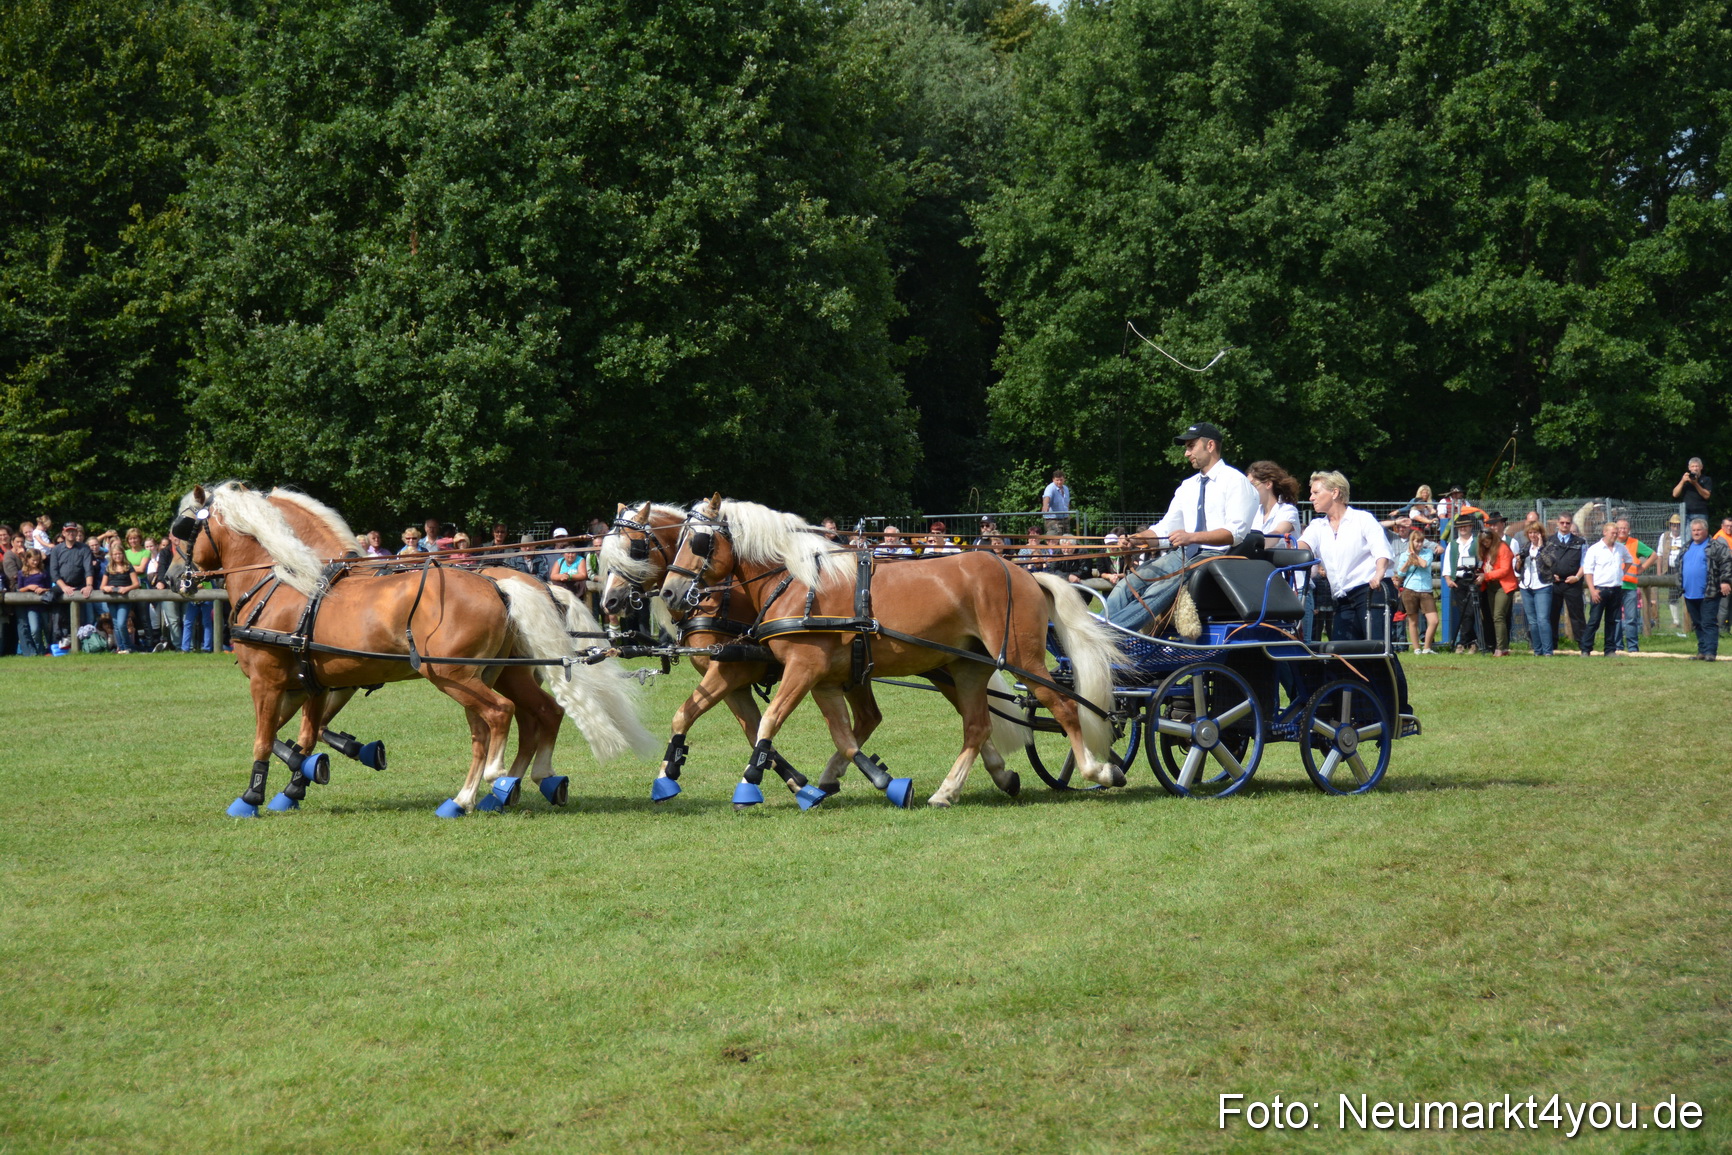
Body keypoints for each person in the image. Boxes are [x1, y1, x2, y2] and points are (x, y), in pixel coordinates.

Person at [1102, 422, 1258, 633]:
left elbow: (1234, 534)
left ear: (1210, 445)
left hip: (1218, 557)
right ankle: (1094, 630)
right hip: (1184, 554)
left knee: (1158, 588)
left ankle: (1106, 636)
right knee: (1128, 584)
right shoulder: (1188, 486)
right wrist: (1138, 538)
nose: (1186, 453)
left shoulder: (1236, 482)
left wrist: (1192, 537)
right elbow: (1166, 528)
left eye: (1191, 446)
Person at [1299, 471, 1393, 642]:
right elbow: (1301, 548)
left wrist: (1378, 574)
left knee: (1377, 650)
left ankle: (1390, 670)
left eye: (1316, 492)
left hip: (1371, 591)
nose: (1311, 497)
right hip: (1343, 599)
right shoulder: (1317, 526)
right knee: (1342, 656)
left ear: (1334, 493)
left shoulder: (1362, 519)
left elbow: (1381, 550)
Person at [1677, 518, 1732, 660]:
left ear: (1706, 531)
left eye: (1699, 530)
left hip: (1709, 592)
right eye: (1694, 530)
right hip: (1690, 593)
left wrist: (1725, 581)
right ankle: (1701, 651)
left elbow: (1727, 562)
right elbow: (1679, 565)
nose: (1696, 533)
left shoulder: (1715, 545)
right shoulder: (1686, 547)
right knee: (1698, 623)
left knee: (1708, 623)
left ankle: (1710, 653)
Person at [1579, 521, 1632, 656]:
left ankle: (1609, 649)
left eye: (1616, 533)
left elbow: (1629, 560)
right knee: (1594, 621)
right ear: (1604, 532)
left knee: (1612, 621)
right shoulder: (1594, 549)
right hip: (1600, 589)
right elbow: (1588, 571)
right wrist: (1592, 590)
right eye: (1612, 533)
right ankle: (1585, 649)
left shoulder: (1620, 548)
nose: (1615, 535)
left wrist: (1621, 574)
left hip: (1616, 589)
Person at [1442, 514, 1483, 652]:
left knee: (1470, 612)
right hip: (1458, 580)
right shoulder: (1453, 544)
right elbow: (1447, 563)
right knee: (1463, 612)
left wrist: (1481, 574)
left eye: (1465, 526)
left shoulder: (1477, 542)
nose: (1462, 529)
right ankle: (1472, 642)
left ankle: (1463, 642)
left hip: (1473, 580)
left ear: (1471, 526)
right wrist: (1448, 579)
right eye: (1460, 526)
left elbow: (1483, 559)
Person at [1473, 526, 1516, 655]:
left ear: (1493, 538)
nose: (1485, 544)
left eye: (1487, 541)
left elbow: (1504, 570)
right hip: (1491, 586)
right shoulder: (1486, 550)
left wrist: (1485, 576)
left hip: (1504, 585)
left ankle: (1501, 648)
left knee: (1498, 616)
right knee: (1492, 617)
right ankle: (1498, 646)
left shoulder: (1503, 548)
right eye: (1483, 542)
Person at [1614, 517, 1655, 652]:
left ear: (1629, 530)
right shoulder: (1611, 542)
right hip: (1614, 585)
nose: (1622, 530)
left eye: (1625, 528)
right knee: (1616, 619)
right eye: (1619, 528)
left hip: (1630, 586)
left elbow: (1653, 555)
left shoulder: (1635, 543)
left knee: (1631, 618)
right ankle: (1618, 647)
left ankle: (1633, 648)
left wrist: (1642, 568)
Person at [1396, 527, 1440, 653]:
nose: (1419, 544)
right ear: (1412, 542)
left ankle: (1427, 647)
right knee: (1412, 621)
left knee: (1434, 620)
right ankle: (1416, 649)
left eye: (1421, 541)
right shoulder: (1405, 555)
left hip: (1426, 590)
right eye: (1417, 541)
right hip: (1410, 590)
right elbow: (1400, 572)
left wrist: (1415, 555)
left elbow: (1425, 564)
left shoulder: (1428, 553)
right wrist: (1408, 562)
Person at [1516, 520, 1555, 655]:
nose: (1533, 535)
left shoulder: (1548, 546)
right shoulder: (1525, 547)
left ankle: (1548, 651)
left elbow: (1550, 563)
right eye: (1530, 532)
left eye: (1536, 532)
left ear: (1541, 533)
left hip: (1543, 585)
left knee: (1542, 619)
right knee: (1532, 621)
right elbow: (1517, 569)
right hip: (1526, 586)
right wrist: (1519, 561)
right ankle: (1537, 650)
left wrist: (1540, 548)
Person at [98, 546, 140, 653]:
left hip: (124, 598)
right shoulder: (109, 568)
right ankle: (120, 647)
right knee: (116, 624)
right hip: (112, 599)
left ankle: (127, 646)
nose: (117, 556)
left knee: (122, 623)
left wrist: (127, 588)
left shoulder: (128, 566)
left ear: (123, 554)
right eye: (115, 554)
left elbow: (136, 583)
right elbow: (102, 586)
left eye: (119, 554)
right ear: (112, 556)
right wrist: (106, 588)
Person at [14, 550, 52, 655]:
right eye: (33, 560)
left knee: (47, 628)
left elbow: (49, 587)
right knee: (34, 629)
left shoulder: (43, 572)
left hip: (44, 605)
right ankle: (40, 650)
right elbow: (19, 589)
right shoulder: (22, 573)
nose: (35, 562)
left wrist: (43, 590)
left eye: (37, 560)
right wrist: (28, 587)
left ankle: (50, 649)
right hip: (31, 607)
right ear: (27, 560)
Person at [1656, 515, 1687, 634]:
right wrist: (1659, 572)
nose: (1675, 527)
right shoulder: (1664, 536)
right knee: (1672, 595)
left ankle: (1688, 620)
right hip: (1669, 568)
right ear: (1670, 525)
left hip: (1683, 569)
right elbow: (1659, 554)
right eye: (1673, 525)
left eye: (1677, 525)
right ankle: (1676, 621)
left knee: (1686, 593)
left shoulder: (1685, 536)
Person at [1672, 458, 1712, 526]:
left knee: (1699, 534)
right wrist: (1682, 481)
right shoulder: (1685, 479)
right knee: (1686, 535)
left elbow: (1707, 496)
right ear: (1689, 468)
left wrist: (1695, 483)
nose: (1695, 469)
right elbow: (1675, 494)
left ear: (1701, 467)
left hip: (1700, 512)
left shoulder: (1706, 479)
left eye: (1697, 466)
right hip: (1686, 512)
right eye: (1692, 466)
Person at [1042, 468, 1071, 534]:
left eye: (1061, 480)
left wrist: (1068, 513)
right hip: (1053, 519)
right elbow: (1047, 497)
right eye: (1057, 480)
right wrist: (1045, 505)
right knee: (1055, 537)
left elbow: (1067, 502)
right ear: (1053, 480)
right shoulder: (1050, 487)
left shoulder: (1066, 488)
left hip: (1064, 518)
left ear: (1064, 479)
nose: (1059, 482)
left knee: (1067, 538)